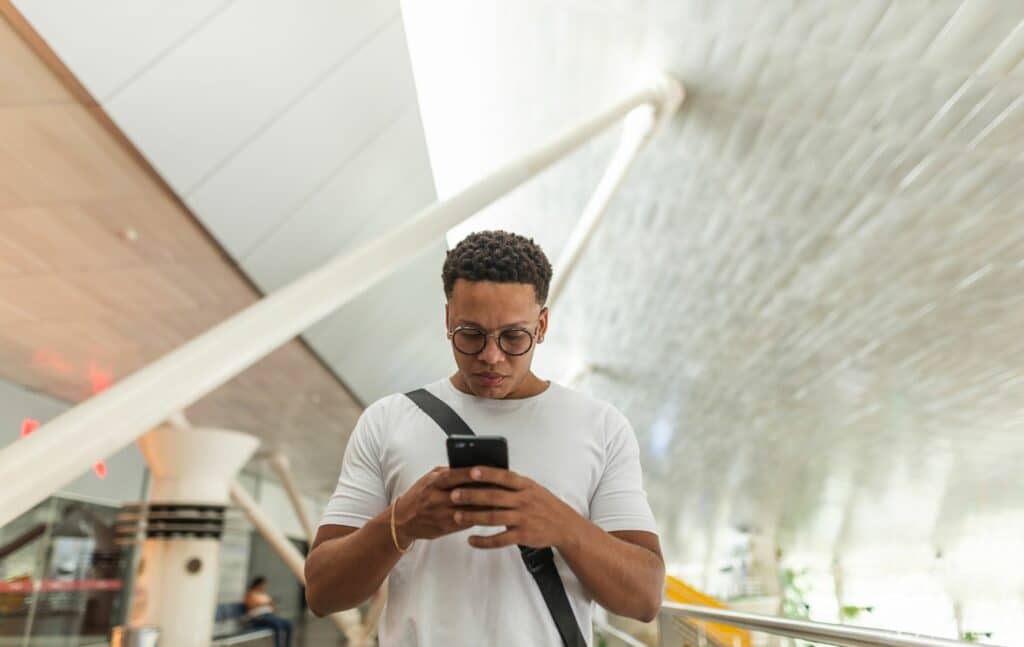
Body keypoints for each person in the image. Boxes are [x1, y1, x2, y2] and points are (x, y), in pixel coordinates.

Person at [306, 230, 664, 646]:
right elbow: (322, 593)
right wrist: (401, 522)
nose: (491, 356)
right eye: (471, 334)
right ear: (447, 320)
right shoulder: (387, 421)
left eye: (514, 337)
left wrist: (562, 525)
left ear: (542, 325)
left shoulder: (601, 426)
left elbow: (645, 597)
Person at [245, 576, 292, 647]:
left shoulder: (264, 595)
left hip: (270, 615)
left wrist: (273, 606)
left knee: (288, 624)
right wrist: (266, 603)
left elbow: (272, 607)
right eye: (263, 584)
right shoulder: (250, 594)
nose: (264, 586)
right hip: (259, 617)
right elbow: (251, 605)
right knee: (277, 625)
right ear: (258, 584)